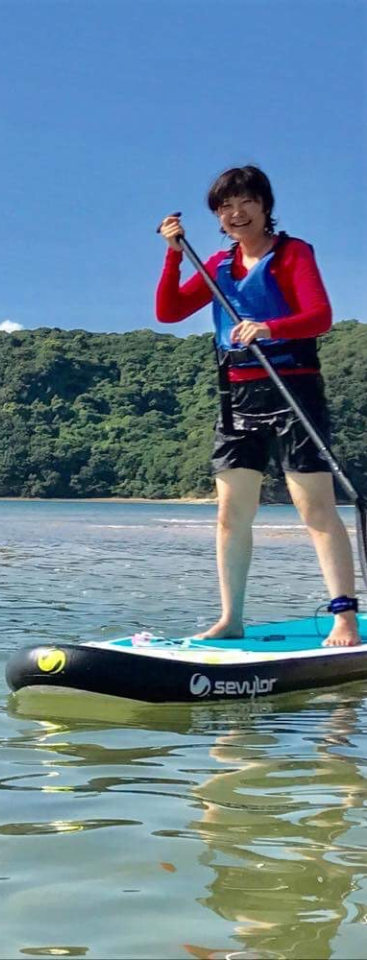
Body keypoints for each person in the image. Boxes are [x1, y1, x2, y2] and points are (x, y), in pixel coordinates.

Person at [156, 164, 359, 647]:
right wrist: (173, 256)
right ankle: (231, 618)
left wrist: (270, 328)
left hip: (292, 389)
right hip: (238, 397)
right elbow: (168, 312)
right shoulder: (217, 266)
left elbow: (321, 317)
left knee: (315, 509)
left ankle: (344, 619)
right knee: (231, 514)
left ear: (265, 206)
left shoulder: (293, 253)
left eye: (246, 201)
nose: (236, 213)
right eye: (225, 207)